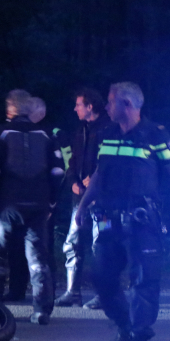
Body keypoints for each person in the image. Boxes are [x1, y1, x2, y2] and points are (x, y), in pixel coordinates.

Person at [76, 82, 170, 341]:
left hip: (141, 221)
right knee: (101, 278)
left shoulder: (155, 134)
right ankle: (125, 328)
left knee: (143, 283)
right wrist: (83, 204)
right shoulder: (108, 134)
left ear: (127, 104)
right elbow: (99, 173)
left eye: (110, 101)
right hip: (108, 219)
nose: (106, 106)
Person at [0, 90, 65, 324]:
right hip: (38, 204)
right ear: (28, 109)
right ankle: (42, 310)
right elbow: (58, 172)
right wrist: (51, 202)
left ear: (9, 109)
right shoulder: (47, 135)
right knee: (38, 257)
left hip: (6, 204)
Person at [56, 88, 112, 308]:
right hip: (79, 199)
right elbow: (72, 160)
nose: (75, 109)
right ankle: (72, 292)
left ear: (90, 106)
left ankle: (104, 294)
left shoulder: (109, 129)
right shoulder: (80, 131)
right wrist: (72, 181)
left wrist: (96, 181)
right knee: (73, 243)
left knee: (102, 244)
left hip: (103, 201)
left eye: (78, 104)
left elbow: (110, 163)